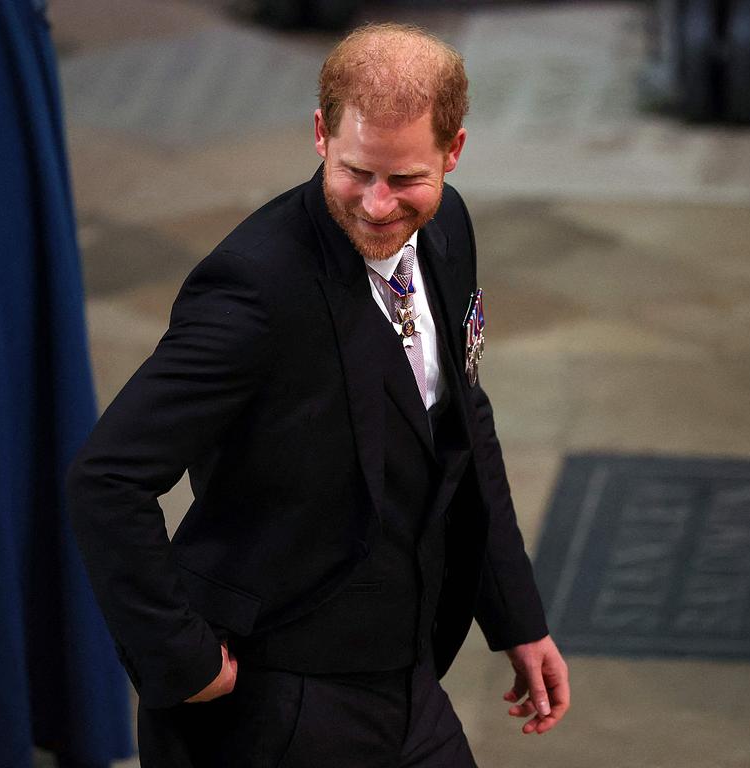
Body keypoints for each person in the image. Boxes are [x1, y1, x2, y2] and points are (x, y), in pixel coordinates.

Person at [67, 22, 570, 768]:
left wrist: (517, 616)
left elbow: (465, 422)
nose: (375, 205)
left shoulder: (448, 228)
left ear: (453, 152)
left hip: (409, 679)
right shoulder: (254, 290)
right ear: (319, 134)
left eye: (405, 180)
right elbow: (105, 478)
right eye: (355, 170)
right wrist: (183, 657)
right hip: (277, 703)